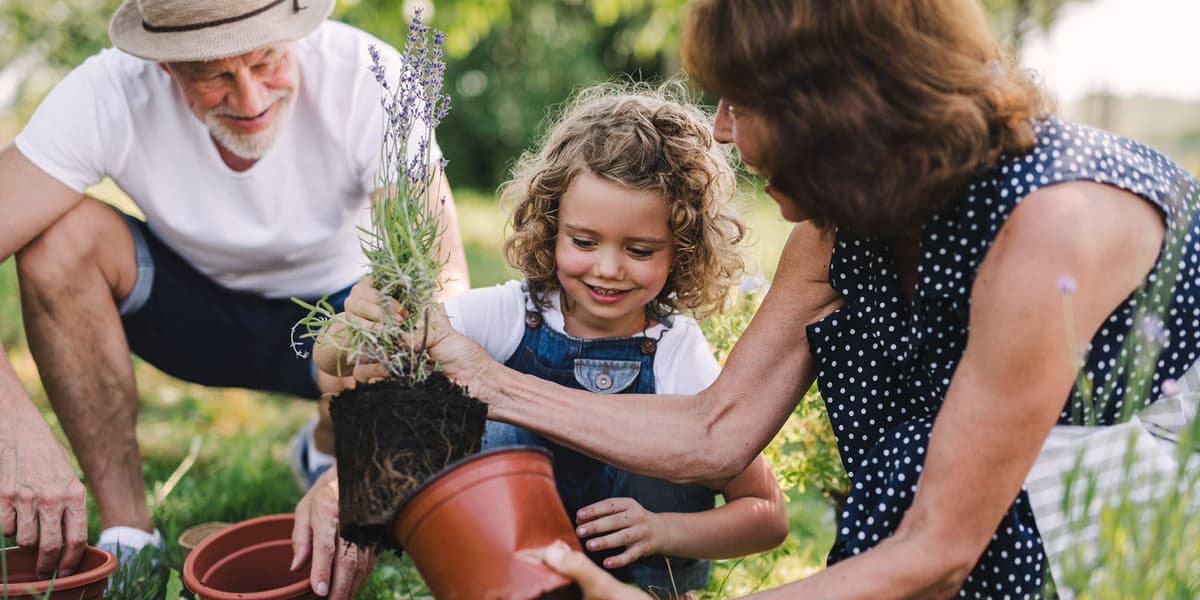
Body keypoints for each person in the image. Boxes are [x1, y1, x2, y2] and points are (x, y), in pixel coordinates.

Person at [311, 0, 1200, 598]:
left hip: (1127, 504)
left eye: (741, 100)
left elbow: (936, 548)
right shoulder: (847, 214)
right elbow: (714, 431)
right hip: (955, 494)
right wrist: (381, 448)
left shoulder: (1050, 231)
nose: (723, 130)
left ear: (837, 109)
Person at [0, 0, 469, 581]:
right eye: (214, 75)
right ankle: (130, 537)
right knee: (57, 240)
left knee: (394, 314)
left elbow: (443, 286)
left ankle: (328, 446)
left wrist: (366, 464)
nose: (250, 101)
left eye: (267, 60)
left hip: (336, 322)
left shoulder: (366, 74)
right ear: (166, 65)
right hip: (193, 316)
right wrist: (11, 423)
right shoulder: (108, 91)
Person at [297, 86, 789, 598]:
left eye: (640, 249)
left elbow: (766, 514)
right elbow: (335, 360)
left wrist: (665, 530)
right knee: (493, 434)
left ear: (682, 249)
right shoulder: (513, 314)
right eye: (583, 241)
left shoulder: (675, 351)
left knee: (673, 454)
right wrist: (355, 323)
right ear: (551, 227)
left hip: (640, 583)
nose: (608, 268)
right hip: (514, 572)